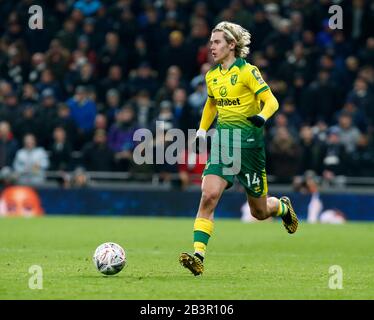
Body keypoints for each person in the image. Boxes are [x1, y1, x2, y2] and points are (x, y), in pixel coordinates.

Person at [179, 21, 298, 276]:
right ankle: (198, 255)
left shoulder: (248, 72)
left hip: (251, 148)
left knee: (259, 211)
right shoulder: (211, 76)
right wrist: (201, 130)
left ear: (232, 45)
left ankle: (281, 207)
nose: (212, 46)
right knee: (209, 195)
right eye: (211, 42)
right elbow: (212, 104)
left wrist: (263, 117)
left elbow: (271, 101)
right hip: (224, 144)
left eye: (217, 42)